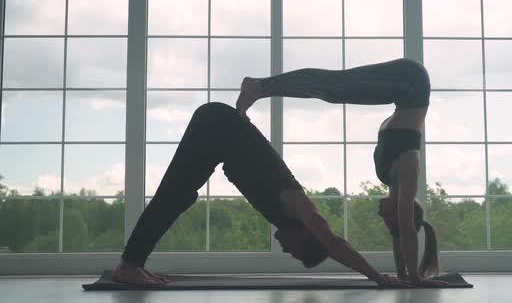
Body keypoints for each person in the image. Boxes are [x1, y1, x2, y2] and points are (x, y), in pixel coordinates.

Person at [112, 101, 403, 287]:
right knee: (173, 196)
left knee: (179, 197)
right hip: (217, 126)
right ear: (307, 235)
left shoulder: (284, 215)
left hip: (219, 133)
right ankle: (129, 266)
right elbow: (334, 243)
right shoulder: (301, 207)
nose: (286, 250)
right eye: (295, 250)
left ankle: (133, 264)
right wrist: (377, 276)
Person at [236, 58, 445, 286]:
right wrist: (415, 277)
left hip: (402, 93)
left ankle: (260, 87)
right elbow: (405, 228)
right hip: (413, 81)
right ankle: (259, 86)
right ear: (401, 212)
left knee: (333, 90)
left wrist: (403, 276)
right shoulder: (408, 175)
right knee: (334, 86)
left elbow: (399, 233)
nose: (379, 215)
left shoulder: (390, 178)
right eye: (387, 218)